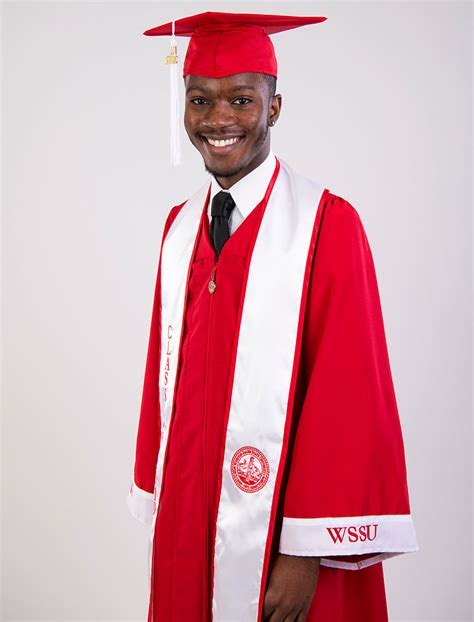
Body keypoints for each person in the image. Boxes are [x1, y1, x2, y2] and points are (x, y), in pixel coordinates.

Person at [127, 11, 419, 622]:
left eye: (241, 99)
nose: (218, 120)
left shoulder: (326, 227)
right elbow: (165, 376)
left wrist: (305, 552)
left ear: (275, 107)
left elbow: (350, 396)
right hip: (189, 518)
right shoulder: (178, 230)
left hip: (282, 533)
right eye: (199, 100)